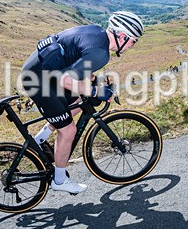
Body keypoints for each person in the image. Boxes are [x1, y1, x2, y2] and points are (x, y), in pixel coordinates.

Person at [20, 11, 144, 194]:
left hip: (41, 71)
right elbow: (66, 81)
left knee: (78, 101)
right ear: (123, 36)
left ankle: (39, 140)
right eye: (134, 41)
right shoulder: (101, 53)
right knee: (68, 130)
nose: (132, 45)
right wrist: (96, 91)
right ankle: (60, 180)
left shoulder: (98, 34)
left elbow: (79, 63)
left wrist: (95, 82)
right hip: (39, 81)